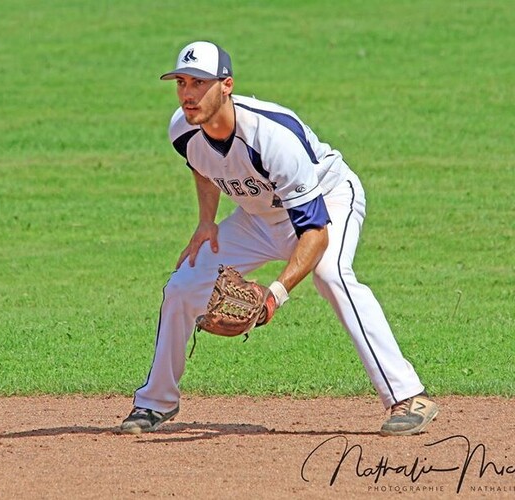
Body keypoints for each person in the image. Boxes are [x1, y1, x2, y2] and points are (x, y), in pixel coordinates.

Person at [120, 41, 439, 436]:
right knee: (183, 286)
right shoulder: (183, 129)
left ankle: (409, 396)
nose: (188, 93)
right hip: (258, 217)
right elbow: (203, 166)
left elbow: (315, 231)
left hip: (327, 201)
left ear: (226, 86)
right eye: (182, 82)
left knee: (331, 276)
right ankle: (155, 402)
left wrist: (274, 295)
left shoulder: (272, 137)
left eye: (200, 83)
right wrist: (207, 222)